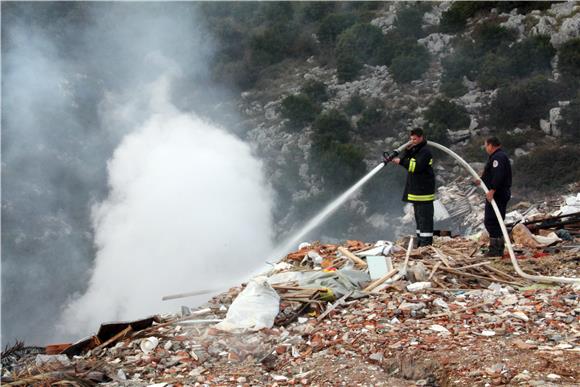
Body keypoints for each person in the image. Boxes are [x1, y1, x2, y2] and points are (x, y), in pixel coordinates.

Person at [391, 128, 436, 247]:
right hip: (417, 192)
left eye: (415, 139)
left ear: (421, 137)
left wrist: (400, 161)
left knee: (425, 220)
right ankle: (421, 242)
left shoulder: (425, 152)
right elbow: (407, 158)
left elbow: (415, 167)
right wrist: (406, 150)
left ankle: (426, 245)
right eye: (411, 139)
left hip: (424, 193)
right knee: (419, 220)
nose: (412, 141)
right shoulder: (416, 149)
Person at [476, 136, 512, 257]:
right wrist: (481, 181)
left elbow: (498, 175)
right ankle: (497, 248)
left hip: (498, 194)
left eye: (486, 145)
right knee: (495, 221)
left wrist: (492, 190)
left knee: (492, 221)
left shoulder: (498, 158)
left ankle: (496, 249)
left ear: (491, 145)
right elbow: (491, 175)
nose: (486, 148)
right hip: (497, 193)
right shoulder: (496, 157)